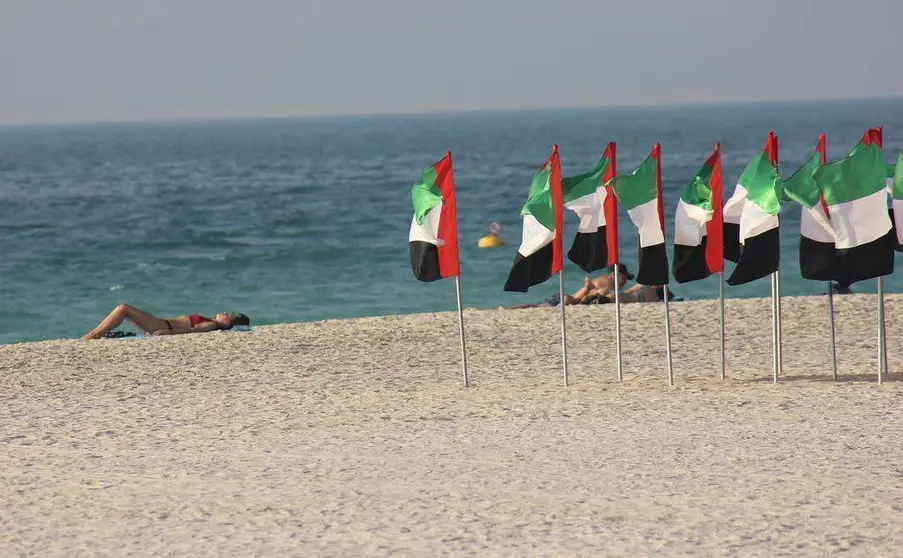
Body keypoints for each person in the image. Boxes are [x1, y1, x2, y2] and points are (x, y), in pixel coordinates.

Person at [82, 304, 250, 340]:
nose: (226, 313)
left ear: (228, 324)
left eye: (230, 316)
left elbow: (191, 332)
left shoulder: (212, 325)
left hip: (161, 326)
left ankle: (92, 335)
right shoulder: (211, 321)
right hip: (160, 324)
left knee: (123, 309)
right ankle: (95, 334)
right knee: (123, 312)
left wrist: (168, 333)